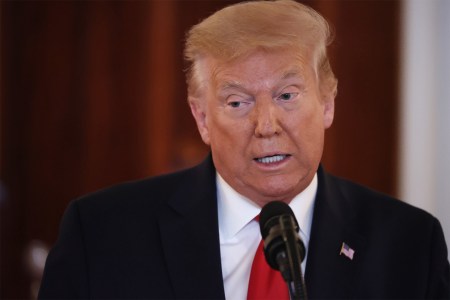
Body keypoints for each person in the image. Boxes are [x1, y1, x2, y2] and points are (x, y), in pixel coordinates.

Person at [38, 0, 450, 299]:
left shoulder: (410, 244)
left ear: (328, 102)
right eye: (238, 102)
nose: (267, 126)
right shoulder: (102, 235)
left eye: (287, 95)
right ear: (201, 118)